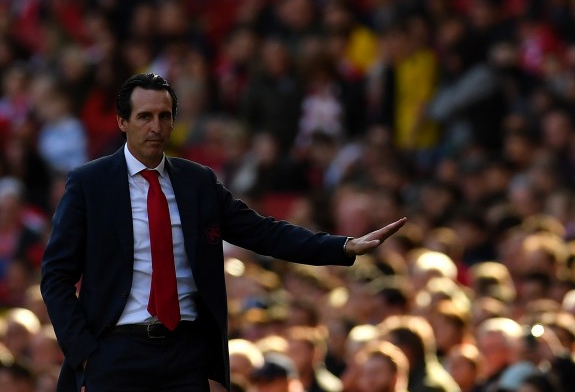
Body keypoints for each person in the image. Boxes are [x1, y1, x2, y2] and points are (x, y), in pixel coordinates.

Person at [40, 73, 407, 392]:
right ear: (122, 122)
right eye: (144, 117)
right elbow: (56, 276)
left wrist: (342, 246)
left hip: (185, 351)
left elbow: (263, 232)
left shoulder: (197, 182)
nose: (155, 126)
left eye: (164, 117)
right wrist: (85, 353)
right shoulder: (89, 184)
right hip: (115, 351)